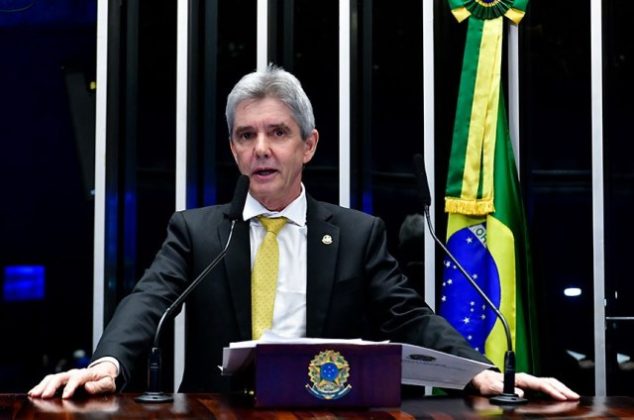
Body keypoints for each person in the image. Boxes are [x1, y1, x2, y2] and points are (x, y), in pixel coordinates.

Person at [29, 65, 579, 401]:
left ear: (308, 145)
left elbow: (408, 317)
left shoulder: (358, 234)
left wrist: (478, 373)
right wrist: (108, 363)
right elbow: (148, 301)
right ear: (233, 150)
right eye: (246, 135)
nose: (261, 149)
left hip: (324, 410)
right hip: (215, 412)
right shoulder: (198, 232)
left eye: (277, 132)